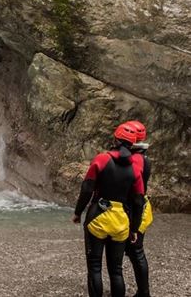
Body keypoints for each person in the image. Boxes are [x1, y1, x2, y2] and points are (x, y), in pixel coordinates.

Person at [73, 122, 145, 297]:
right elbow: (138, 201)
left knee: (95, 267)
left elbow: (87, 188)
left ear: (115, 139)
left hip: (98, 215)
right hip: (121, 221)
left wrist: (78, 212)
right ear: (133, 143)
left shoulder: (102, 159)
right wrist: (134, 228)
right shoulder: (135, 169)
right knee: (116, 270)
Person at [126, 120, 153, 297]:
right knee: (135, 250)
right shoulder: (145, 159)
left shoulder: (135, 160)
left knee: (135, 250)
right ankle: (143, 292)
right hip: (141, 206)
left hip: (134, 208)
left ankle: (144, 292)